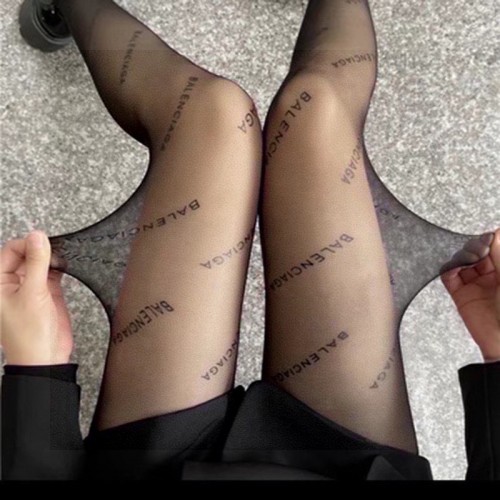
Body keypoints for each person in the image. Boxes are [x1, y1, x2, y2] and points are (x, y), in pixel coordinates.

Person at [1, 0, 499, 481]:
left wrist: (36, 372)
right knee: (316, 105)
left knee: (209, 113)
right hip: (352, 466)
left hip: (148, 467)